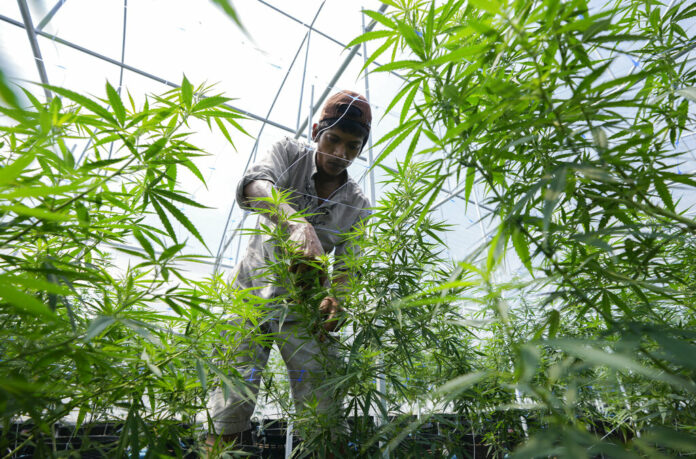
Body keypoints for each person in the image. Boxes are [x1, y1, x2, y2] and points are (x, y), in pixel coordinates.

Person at [206, 90, 372, 452]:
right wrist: (296, 222)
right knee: (228, 408)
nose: (340, 154)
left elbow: (348, 265)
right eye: (333, 140)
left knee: (324, 412)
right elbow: (253, 186)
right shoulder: (287, 154)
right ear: (317, 132)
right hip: (250, 300)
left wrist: (337, 298)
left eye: (352, 146)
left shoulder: (357, 204)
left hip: (304, 311)